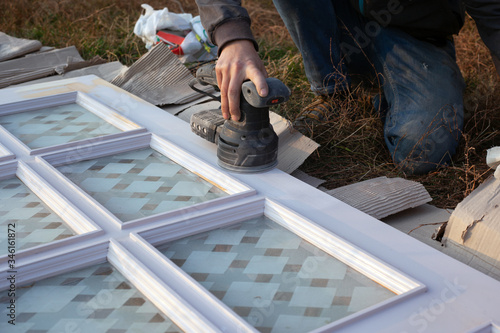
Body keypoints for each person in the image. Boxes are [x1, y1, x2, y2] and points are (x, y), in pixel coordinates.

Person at [194, 0, 500, 175]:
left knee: (422, 154)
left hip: (417, 35)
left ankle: (391, 90)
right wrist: (232, 37)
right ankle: (335, 92)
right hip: (339, 16)